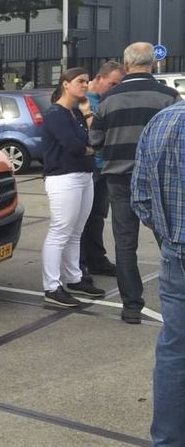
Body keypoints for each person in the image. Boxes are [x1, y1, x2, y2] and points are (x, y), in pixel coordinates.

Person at [90, 42, 180, 323]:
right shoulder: (169, 97)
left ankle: (131, 305)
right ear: (152, 64)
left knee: (125, 242)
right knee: (166, 237)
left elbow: (95, 141)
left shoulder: (108, 99)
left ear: (126, 65)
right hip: (158, 179)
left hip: (119, 178)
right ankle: (175, 298)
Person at [132, 102, 185, 445]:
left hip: (176, 254)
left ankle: (167, 440)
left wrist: (170, 237)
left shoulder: (162, 121)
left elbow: (141, 199)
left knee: (175, 350)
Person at [40, 67, 106, 307]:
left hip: (84, 175)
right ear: (65, 84)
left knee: (76, 231)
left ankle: (74, 278)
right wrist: (88, 148)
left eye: (87, 82)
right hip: (63, 177)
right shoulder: (55, 114)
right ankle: (51, 286)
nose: (85, 86)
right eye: (80, 81)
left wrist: (87, 114)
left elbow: (92, 141)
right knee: (60, 230)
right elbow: (75, 146)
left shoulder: (76, 114)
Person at [77, 61, 125, 282]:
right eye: (112, 83)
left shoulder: (109, 100)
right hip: (88, 167)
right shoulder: (83, 100)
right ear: (99, 78)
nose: (114, 88)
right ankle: (80, 263)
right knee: (81, 218)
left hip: (104, 165)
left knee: (97, 216)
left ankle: (96, 258)